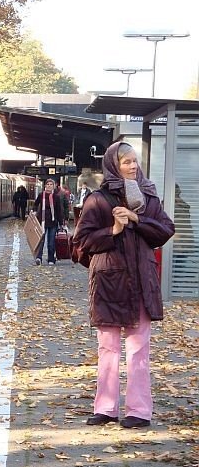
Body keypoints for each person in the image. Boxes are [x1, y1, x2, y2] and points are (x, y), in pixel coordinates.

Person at [71, 142, 174, 429]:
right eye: (126, 161)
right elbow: (80, 244)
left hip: (142, 282)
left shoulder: (149, 198)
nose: (132, 166)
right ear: (113, 165)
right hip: (108, 283)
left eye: (134, 161)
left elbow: (165, 230)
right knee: (108, 348)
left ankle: (139, 411)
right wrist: (112, 231)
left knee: (139, 349)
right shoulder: (98, 200)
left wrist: (137, 219)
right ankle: (105, 408)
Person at [33, 178, 65, 265]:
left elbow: (59, 211)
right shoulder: (41, 195)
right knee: (41, 241)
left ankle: (51, 258)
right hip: (42, 221)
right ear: (45, 186)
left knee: (51, 242)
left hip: (53, 222)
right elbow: (35, 205)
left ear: (54, 186)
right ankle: (39, 257)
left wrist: (61, 223)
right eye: (48, 184)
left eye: (51, 185)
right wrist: (34, 211)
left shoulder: (56, 197)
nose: (49, 186)